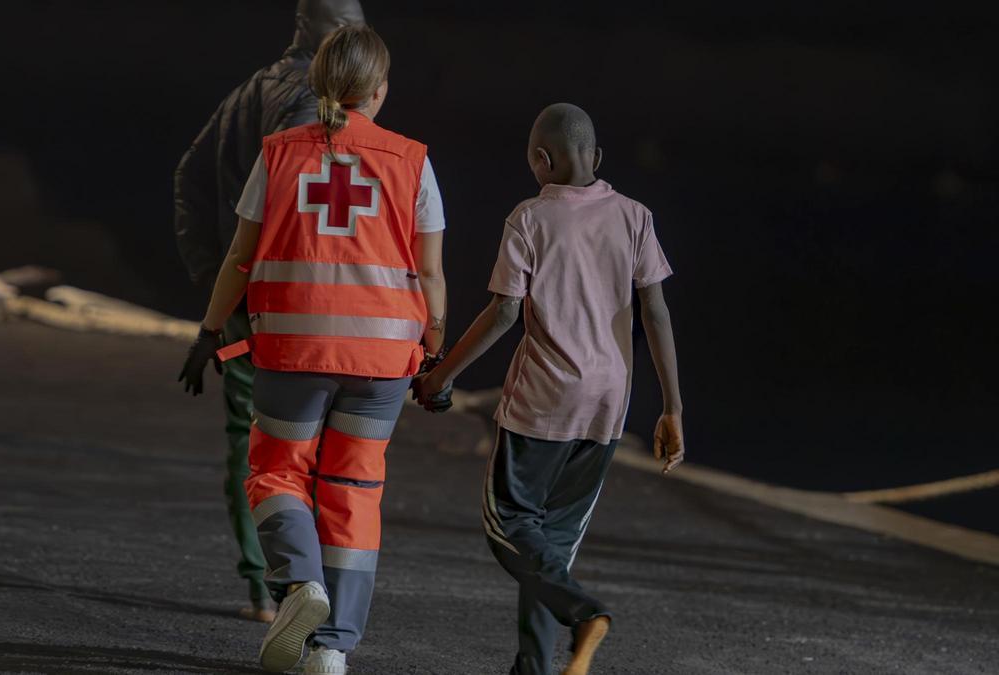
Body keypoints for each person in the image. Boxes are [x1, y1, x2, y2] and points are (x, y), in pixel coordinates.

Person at [179, 25, 448, 675]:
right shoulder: (412, 160)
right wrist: (435, 354)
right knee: (354, 488)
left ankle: (301, 585)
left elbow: (240, 256)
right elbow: (430, 272)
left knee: (276, 471)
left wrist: (209, 332)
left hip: (292, 349)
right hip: (383, 358)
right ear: (379, 91)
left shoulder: (279, 154)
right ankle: (332, 648)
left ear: (319, 84)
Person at [415, 103, 685, 675]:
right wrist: (672, 409)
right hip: (609, 406)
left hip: (542, 403)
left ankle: (585, 614)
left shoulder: (530, 219)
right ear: (598, 159)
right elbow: (655, 314)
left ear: (541, 160)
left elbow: (504, 313)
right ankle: (533, 668)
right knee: (550, 551)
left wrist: (441, 375)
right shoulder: (635, 216)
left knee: (509, 526)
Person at [173, 0, 366, 624]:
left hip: (244, 303)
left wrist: (213, 281)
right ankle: (296, 587)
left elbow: (189, 178)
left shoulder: (246, 92)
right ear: (324, 33)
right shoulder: (316, 106)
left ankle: (262, 584)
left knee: (251, 442)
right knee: (308, 448)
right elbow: (314, 219)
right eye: (349, 33)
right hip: (297, 307)